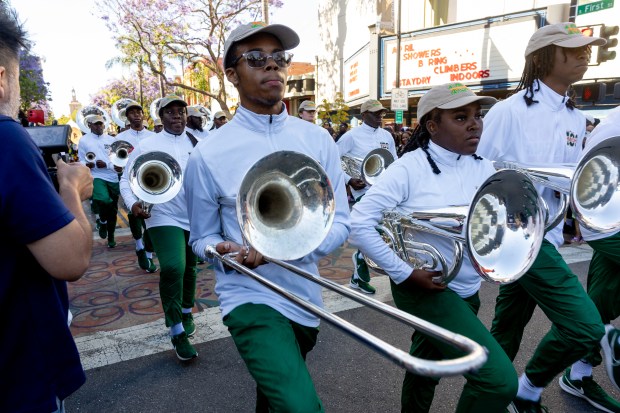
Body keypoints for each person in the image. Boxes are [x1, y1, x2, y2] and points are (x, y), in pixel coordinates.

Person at [185, 22, 350, 412]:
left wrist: (289, 249)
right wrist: (221, 250)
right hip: (249, 295)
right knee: (300, 406)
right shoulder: (207, 154)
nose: (272, 67)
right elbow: (200, 238)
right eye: (256, 59)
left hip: (306, 295)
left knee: (277, 398)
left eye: (280, 59)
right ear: (231, 74)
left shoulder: (318, 140)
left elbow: (341, 222)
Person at [476, 22, 618, 413]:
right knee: (586, 325)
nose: (584, 55)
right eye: (572, 49)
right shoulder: (508, 111)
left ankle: (503, 396)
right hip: (515, 234)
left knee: (507, 326)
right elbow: (475, 172)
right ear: (542, 58)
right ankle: (519, 391)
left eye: (586, 49)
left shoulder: (575, 118)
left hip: (547, 236)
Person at [349, 83, 517, 412]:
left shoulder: (483, 166)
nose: (474, 124)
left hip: (467, 285)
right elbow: (359, 224)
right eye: (460, 117)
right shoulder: (408, 168)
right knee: (498, 380)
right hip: (427, 287)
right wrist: (404, 273)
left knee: (426, 363)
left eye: (477, 115)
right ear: (432, 126)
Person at [0, 4, 93, 411]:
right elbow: (70, 259)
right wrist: (71, 187)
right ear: (1, 80)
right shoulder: (6, 140)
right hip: (16, 379)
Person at [120, 94, 199, 361]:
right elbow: (125, 179)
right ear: (161, 116)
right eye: (170, 112)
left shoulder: (198, 142)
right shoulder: (147, 145)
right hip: (163, 215)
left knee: (190, 267)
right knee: (174, 266)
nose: (177, 116)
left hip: (196, 215)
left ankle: (187, 312)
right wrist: (132, 204)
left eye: (181, 111)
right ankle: (177, 330)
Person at [560, 106, 620, 411]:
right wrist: (574, 223)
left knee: (602, 297)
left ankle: (578, 373)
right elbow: (588, 185)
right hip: (607, 221)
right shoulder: (613, 126)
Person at [336, 98, 398, 294]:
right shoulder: (350, 136)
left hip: (384, 189)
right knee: (376, 232)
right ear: (363, 116)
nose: (380, 116)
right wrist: (348, 179)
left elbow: (394, 161)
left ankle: (359, 275)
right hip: (363, 190)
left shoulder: (386, 135)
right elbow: (332, 159)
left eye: (381, 113)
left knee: (385, 233)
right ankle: (360, 275)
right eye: (375, 113)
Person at [115, 100, 157, 273]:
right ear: (127, 117)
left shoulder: (153, 137)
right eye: (132, 113)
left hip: (149, 180)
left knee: (151, 217)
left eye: (139, 112)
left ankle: (147, 253)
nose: (136, 115)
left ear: (143, 115)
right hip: (130, 180)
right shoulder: (120, 138)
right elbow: (116, 162)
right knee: (134, 214)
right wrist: (116, 166)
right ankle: (139, 245)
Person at [78, 114, 121, 248]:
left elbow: (117, 160)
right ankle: (102, 221)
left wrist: (107, 165)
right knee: (103, 200)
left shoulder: (112, 139)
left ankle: (111, 237)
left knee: (113, 209)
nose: (99, 126)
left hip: (112, 176)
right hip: (97, 176)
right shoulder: (84, 140)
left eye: (101, 124)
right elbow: (81, 159)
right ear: (90, 125)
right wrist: (87, 164)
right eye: (96, 124)